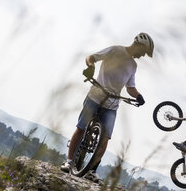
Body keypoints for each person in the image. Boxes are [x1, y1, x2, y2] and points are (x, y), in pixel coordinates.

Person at [61, 32, 154, 180]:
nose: (143, 56)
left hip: (112, 104)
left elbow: (130, 87)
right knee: (81, 128)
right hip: (95, 96)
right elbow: (91, 57)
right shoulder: (115, 50)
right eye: (143, 52)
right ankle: (69, 161)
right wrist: (91, 67)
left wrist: (138, 96)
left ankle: (91, 171)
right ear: (139, 45)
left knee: (105, 138)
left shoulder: (133, 65)